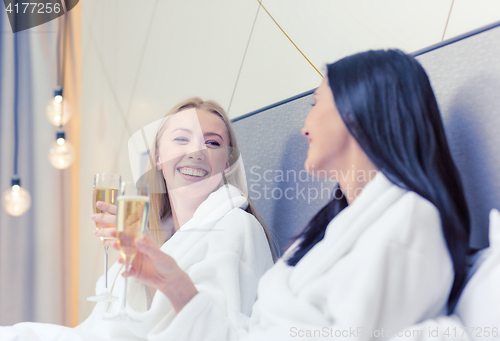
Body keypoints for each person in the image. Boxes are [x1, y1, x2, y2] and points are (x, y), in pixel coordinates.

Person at [125, 50, 471, 341]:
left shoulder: (409, 224)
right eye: (180, 140)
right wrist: (175, 283)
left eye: (316, 102)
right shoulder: (336, 228)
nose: (305, 125)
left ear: (359, 111)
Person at [0, 98, 275, 341]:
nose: (197, 151)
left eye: (213, 143)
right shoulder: (158, 239)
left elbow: (220, 331)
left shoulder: (238, 227)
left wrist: (161, 278)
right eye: (181, 139)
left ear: (227, 162)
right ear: (157, 157)